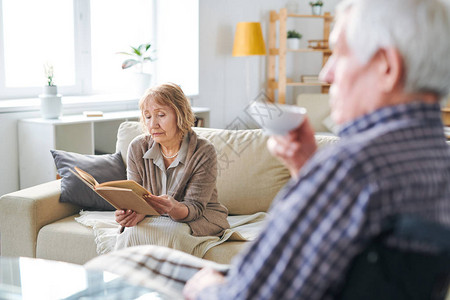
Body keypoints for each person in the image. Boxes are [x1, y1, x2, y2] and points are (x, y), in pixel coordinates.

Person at [181, 0, 450, 298]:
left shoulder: (350, 169)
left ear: (386, 66)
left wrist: (208, 289)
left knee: (141, 262)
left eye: (339, 53)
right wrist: (309, 172)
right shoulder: (439, 160)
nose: (326, 73)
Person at [115, 82, 230, 249]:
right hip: (152, 216)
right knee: (131, 233)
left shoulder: (203, 151)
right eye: (148, 116)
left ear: (180, 115)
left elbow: (195, 207)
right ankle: (126, 276)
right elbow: (136, 198)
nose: (153, 124)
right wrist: (132, 213)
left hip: (196, 217)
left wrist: (173, 207)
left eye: (161, 115)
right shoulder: (137, 147)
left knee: (171, 233)